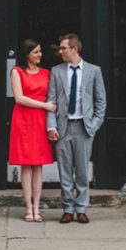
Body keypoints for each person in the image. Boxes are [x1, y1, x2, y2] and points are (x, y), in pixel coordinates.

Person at [46, 33, 106, 224]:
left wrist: (95, 125)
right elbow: (51, 100)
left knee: (82, 171)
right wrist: (51, 126)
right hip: (63, 128)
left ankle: (81, 209)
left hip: (84, 127)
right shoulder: (56, 71)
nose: (60, 52)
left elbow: (101, 101)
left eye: (63, 48)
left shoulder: (93, 71)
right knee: (64, 172)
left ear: (74, 49)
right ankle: (67, 209)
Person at [9, 38, 57, 222]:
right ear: (27, 54)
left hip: (40, 121)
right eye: (35, 52)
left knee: (38, 165)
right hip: (23, 120)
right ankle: (28, 208)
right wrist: (44, 105)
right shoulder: (17, 72)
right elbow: (19, 98)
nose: (39, 55)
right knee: (26, 165)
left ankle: (37, 207)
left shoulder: (46, 73)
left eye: (40, 51)